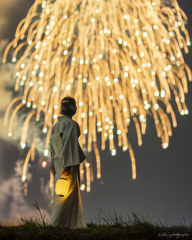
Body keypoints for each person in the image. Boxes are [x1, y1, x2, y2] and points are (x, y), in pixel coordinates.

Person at [49, 96, 87, 228]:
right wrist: (67, 168)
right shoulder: (72, 125)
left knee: (60, 193)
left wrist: (53, 164)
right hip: (68, 164)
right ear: (73, 108)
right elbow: (70, 146)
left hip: (58, 162)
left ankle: (67, 225)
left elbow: (52, 147)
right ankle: (56, 225)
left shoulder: (56, 125)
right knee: (65, 195)